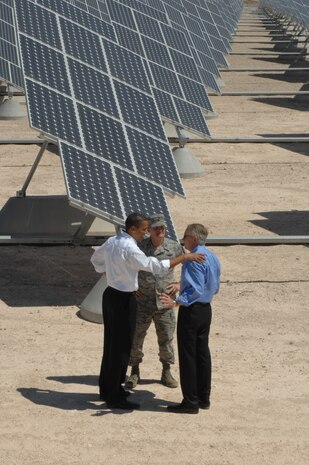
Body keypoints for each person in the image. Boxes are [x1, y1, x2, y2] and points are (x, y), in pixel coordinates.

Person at [90, 213, 205, 411]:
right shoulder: (131, 248)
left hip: (111, 295)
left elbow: (95, 258)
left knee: (111, 344)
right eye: (144, 229)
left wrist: (107, 272)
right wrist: (184, 257)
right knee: (121, 347)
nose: (146, 233)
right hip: (124, 299)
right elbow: (155, 266)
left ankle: (107, 388)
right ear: (132, 229)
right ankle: (115, 395)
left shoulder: (112, 241)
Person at [160, 223, 221, 414]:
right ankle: (204, 398)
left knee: (188, 355)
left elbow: (195, 289)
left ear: (193, 239)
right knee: (202, 353)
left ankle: (190, 401)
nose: (182, 239)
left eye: (185, 236)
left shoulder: (193, 259)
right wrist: (182, 284)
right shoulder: (212, 257)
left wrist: (177, 302)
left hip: (192, 311)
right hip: (205, 310)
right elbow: (212, 285)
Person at [126, 214, 183, 391]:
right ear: (148, 230)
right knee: (136, 338)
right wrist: (132, 286)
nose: (160, 231)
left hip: (164, 302)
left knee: (166, 338)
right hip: (142, 302)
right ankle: (134, 371)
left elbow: (189, 265)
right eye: (156, 228)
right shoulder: (139, 247)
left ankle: (166, 371)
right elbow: (127, 266)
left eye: (162, 228)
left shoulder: (174, 247)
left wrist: (180, 283)